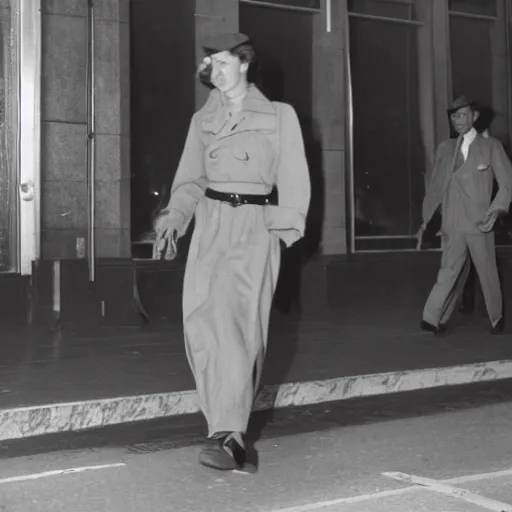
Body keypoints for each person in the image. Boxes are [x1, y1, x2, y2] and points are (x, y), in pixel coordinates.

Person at [152, 33, 311, 471]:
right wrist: (174, 219)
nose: (212, 71)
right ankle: (221, 424)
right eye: (208, 64)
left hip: (254, 227)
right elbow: (190, 180)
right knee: (200, 320)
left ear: (244, 64)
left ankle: (231, 435)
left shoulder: (279, 116)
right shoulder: (201, 121)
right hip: (209, 224)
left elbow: (294, 177)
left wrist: (281, 233)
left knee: (237, 327)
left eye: (220, 63)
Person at [417, 96, 512, 335]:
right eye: (453, 115)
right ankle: (431, 318)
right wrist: (427, 219)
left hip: (481, 224)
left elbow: (508, 182)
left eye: (462, 114)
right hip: (453, 224)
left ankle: (496, 317)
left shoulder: (492, 147)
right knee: (447, 271)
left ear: (475, 116)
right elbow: (436, 187)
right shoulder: (445, 149)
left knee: (487, 272)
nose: (457, 120)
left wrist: (497, 209)